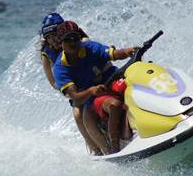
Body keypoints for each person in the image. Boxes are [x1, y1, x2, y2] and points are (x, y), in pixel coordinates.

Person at [52, 21, 137, 154]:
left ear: (80, 38)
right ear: (60, 43)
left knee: (135, 84)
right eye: (68, 40)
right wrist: (92, 91)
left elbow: (114, 54)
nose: (72, 43)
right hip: (96, 98)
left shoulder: (91, 47)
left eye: (75, 38)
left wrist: (127, 51)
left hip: (114, 83)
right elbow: (75, 97)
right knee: (114, 104)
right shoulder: (60, 68)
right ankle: (116, 149)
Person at [38, 13, 101, 155]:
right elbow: (53, 82)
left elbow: (94, 55)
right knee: (78, 114)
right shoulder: (46, 53)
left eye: (54, 36)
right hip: (74, 87)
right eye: (48, 38)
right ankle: (95, 149)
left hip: (94, 77)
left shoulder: (77, 39)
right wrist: (68, 89)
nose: (52, 40)